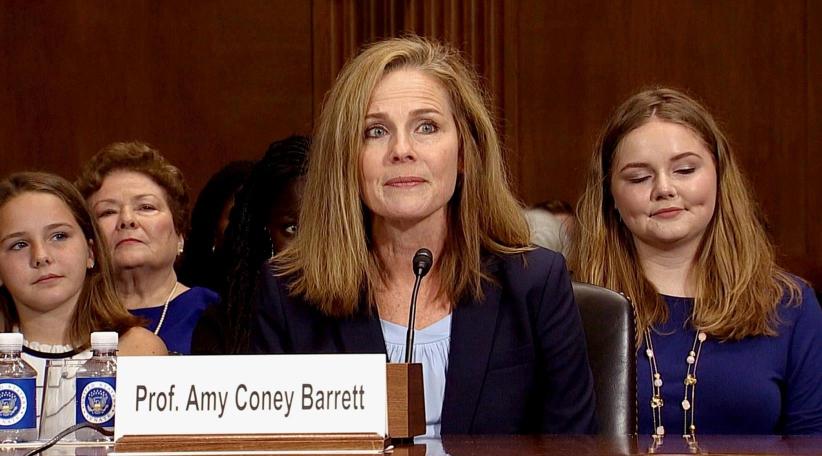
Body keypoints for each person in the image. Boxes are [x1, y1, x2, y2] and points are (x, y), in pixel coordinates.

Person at [251, 36, 596, 437]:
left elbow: (573, 442)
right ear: (346, 160)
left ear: (466, 152)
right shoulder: (289, 293)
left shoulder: (535, 282)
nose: (402, 150)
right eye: (375, 131)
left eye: (426, 127)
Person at [570, 88, 822, 437]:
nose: (664, 188)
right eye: (639, 177)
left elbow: (812, 441)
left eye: (685, 170)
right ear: (610, 195)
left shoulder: (791, 305)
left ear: (720, 176)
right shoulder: (570, 306)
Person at [0, 172, 167, 427]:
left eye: (59, 236)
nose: (41, 256)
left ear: (91, 252)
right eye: (19, 244)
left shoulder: (141, 352)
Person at [76, 142, 219, 354]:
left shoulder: (214, 313)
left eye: (146, 207)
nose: (127, 219)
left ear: (180, 235)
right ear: (89, 245)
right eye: (107, 212)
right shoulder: (69, 319)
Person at [192, 135, 309, 354]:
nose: (309, 246)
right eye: (292, 229)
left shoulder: (368, 318)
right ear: (264, 231)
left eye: (323, 229)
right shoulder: (223, 327)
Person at [178, 160, 253, 293]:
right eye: (237, 215)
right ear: (213, 224)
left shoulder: (281, 290)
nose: (249, 225)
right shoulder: (186, 295)